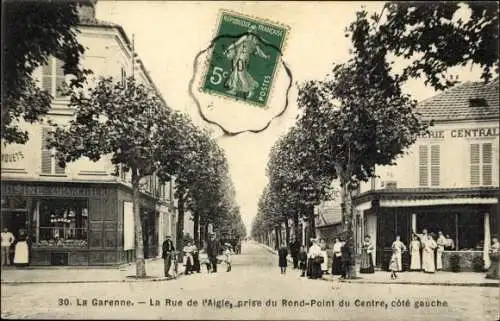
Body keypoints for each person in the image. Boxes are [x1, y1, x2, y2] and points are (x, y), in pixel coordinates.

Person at [223, 25, 270, 99]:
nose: (251, 31)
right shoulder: (246, 37)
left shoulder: (253, 40)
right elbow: (236, 44)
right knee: (236, 73)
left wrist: (265, 56)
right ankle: (234, 89)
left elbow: (259, 51)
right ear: (249, 30)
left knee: (241, 74)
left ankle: (250, 90)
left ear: (255, 32)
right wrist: (228, 49)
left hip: (243, 58)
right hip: (240, 57)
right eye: (250, 29)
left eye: (253, 30)